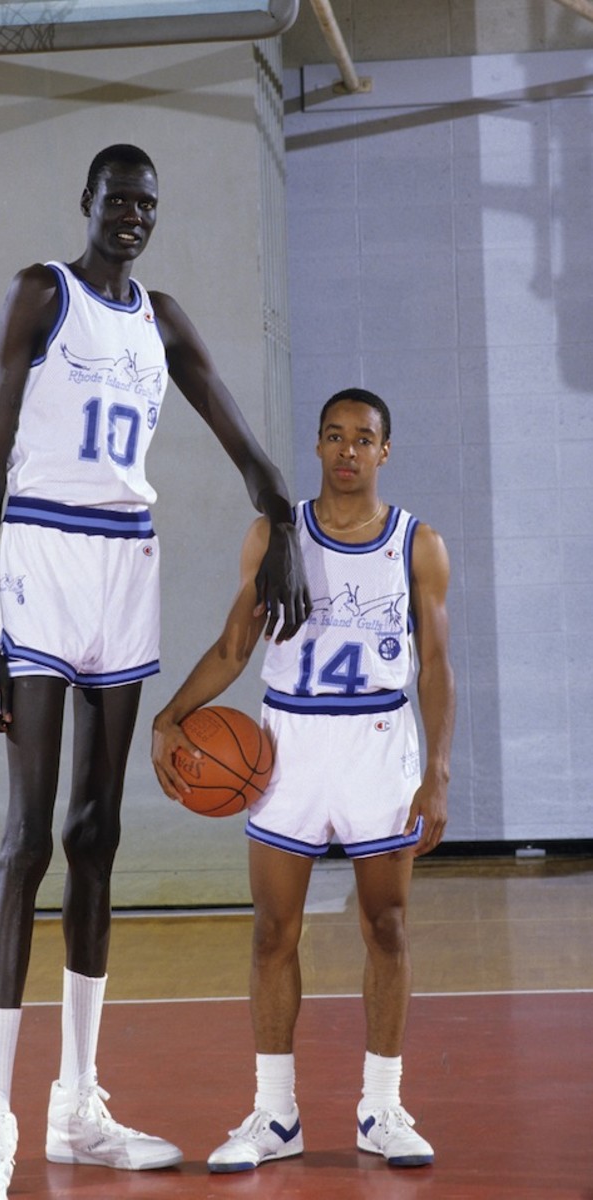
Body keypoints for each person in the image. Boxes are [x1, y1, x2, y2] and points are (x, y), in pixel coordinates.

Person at [0, 144, 311, 1200]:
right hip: (42, 557)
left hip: (124, 564)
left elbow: (242, 443)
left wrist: (280, 513)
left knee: (95, 834)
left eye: (148, 205)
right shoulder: (40, 294)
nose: (133, 218)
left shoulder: (161, 318)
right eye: (118, 201)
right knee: (24, 841)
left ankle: (79, 1106)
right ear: (87, 201)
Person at [152, 387, 455, 1173]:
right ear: (317, 447)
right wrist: (171, 715)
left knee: (385, 927)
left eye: (364, 438)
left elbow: (438, 668)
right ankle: (274, 1114)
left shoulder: (417, 544)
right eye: (333, 436)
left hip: (378, 746)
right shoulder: (274, 537)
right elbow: (232, 646)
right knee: (270, 932)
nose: (347, 451)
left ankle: (381, 1108)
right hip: (288, 747)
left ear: (385, 451)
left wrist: (439, 774)